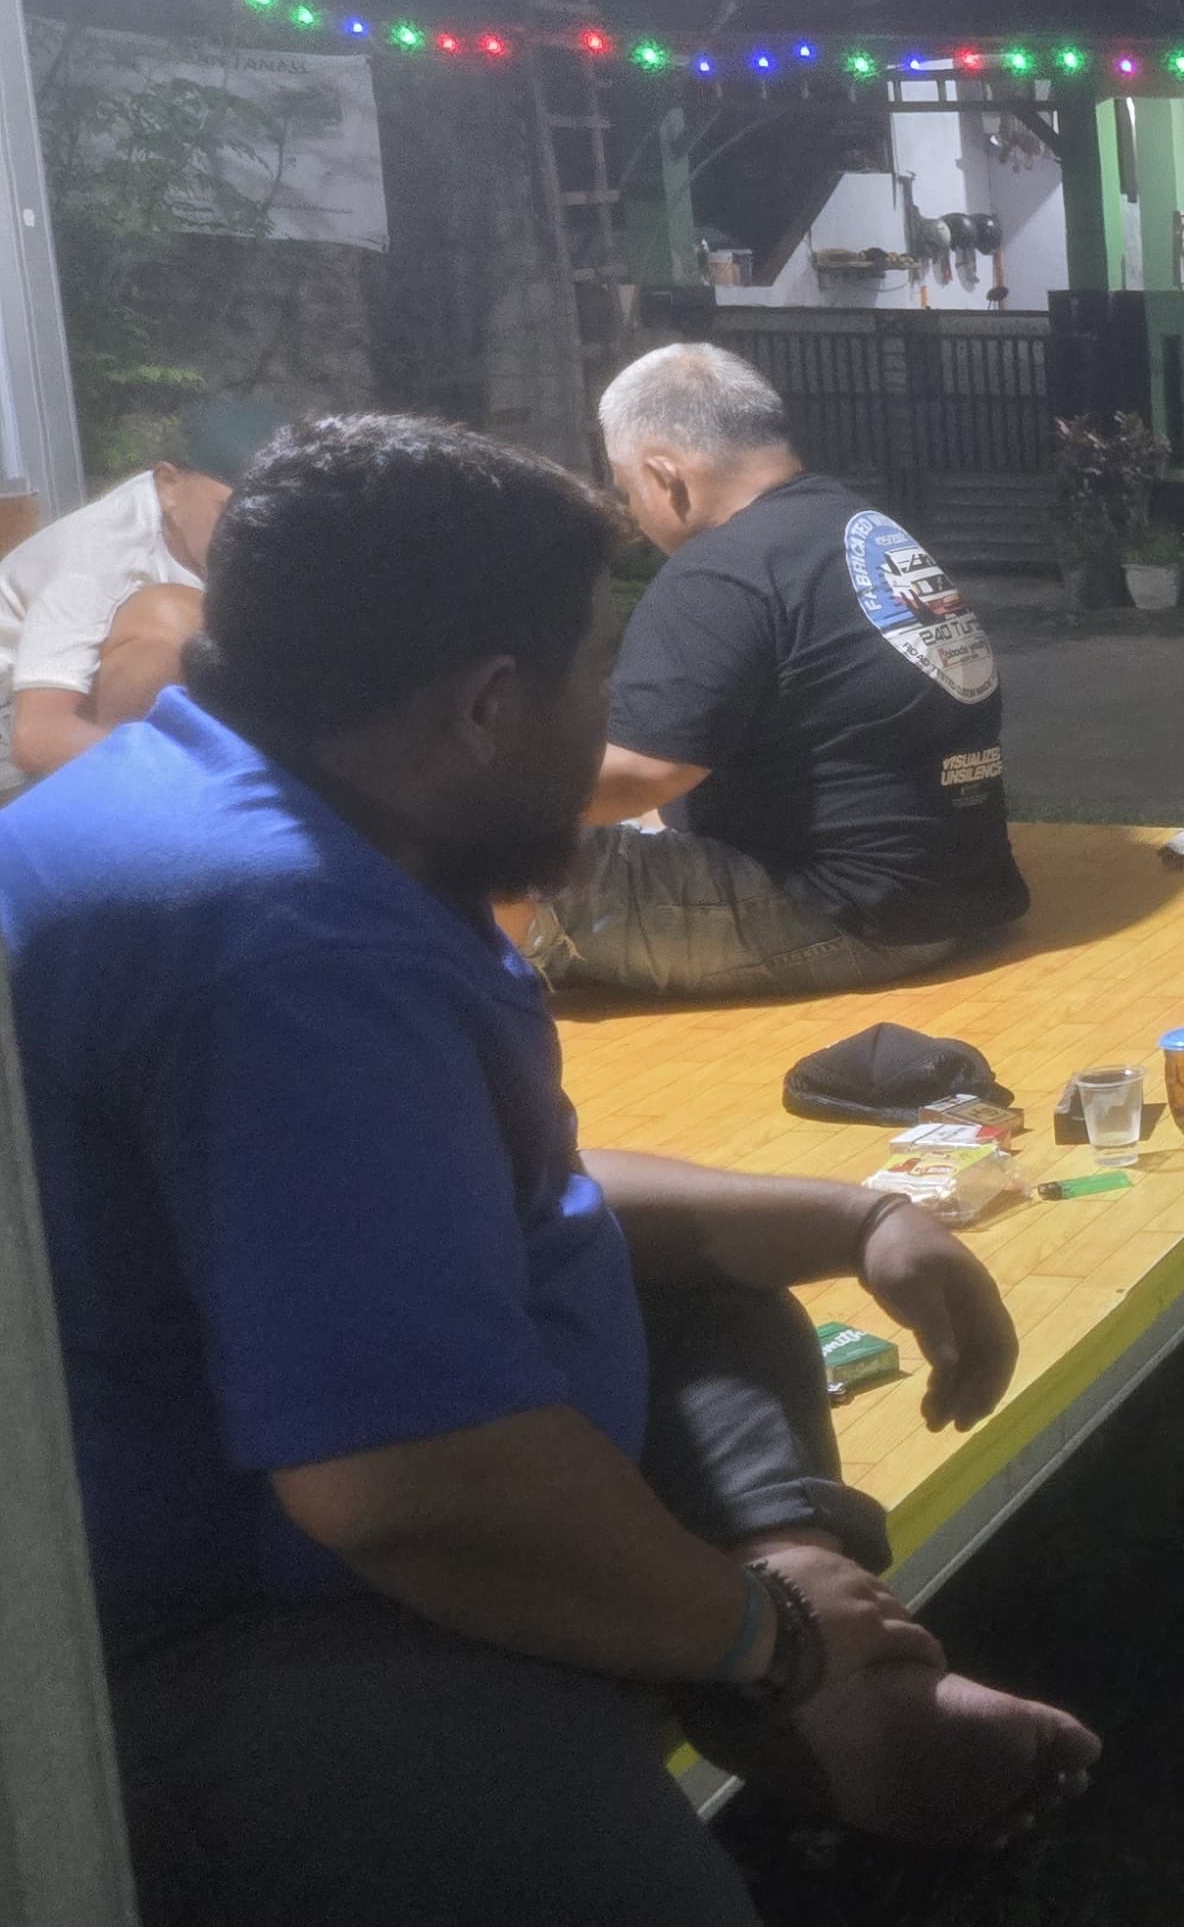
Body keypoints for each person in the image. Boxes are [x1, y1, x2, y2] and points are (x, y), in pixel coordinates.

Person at [0, 417, 1098, 1927]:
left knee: (717, 1291)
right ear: (486, 705)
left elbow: (515, 1193)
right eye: (596, 671)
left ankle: (818, 1680)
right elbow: (411, 1487)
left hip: (314, 1491)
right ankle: (795, 1671)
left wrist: (859, 1217)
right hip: (206, 1630)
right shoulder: (288, 940)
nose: (611, 723)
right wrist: (757, 1629)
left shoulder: (261, 804)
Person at [520, 343, 1028, 997]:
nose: (636, 521)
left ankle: (473, 1023)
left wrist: (462, 800)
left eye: (627, 492)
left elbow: (642, 774)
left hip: (837, 915)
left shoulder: (721, 570)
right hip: (950, 896)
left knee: (473, 856)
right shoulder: (855, 527)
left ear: (665, 477)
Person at [0, 397, 280, 791]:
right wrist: (200, 781)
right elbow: (37, 737)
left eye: (267, 514)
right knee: (180, 621)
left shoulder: (249, 541)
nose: (252, 531)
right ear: (169, 485)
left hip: (67, 720)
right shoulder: (97, 551)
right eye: (230, 510)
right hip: (15, 735)